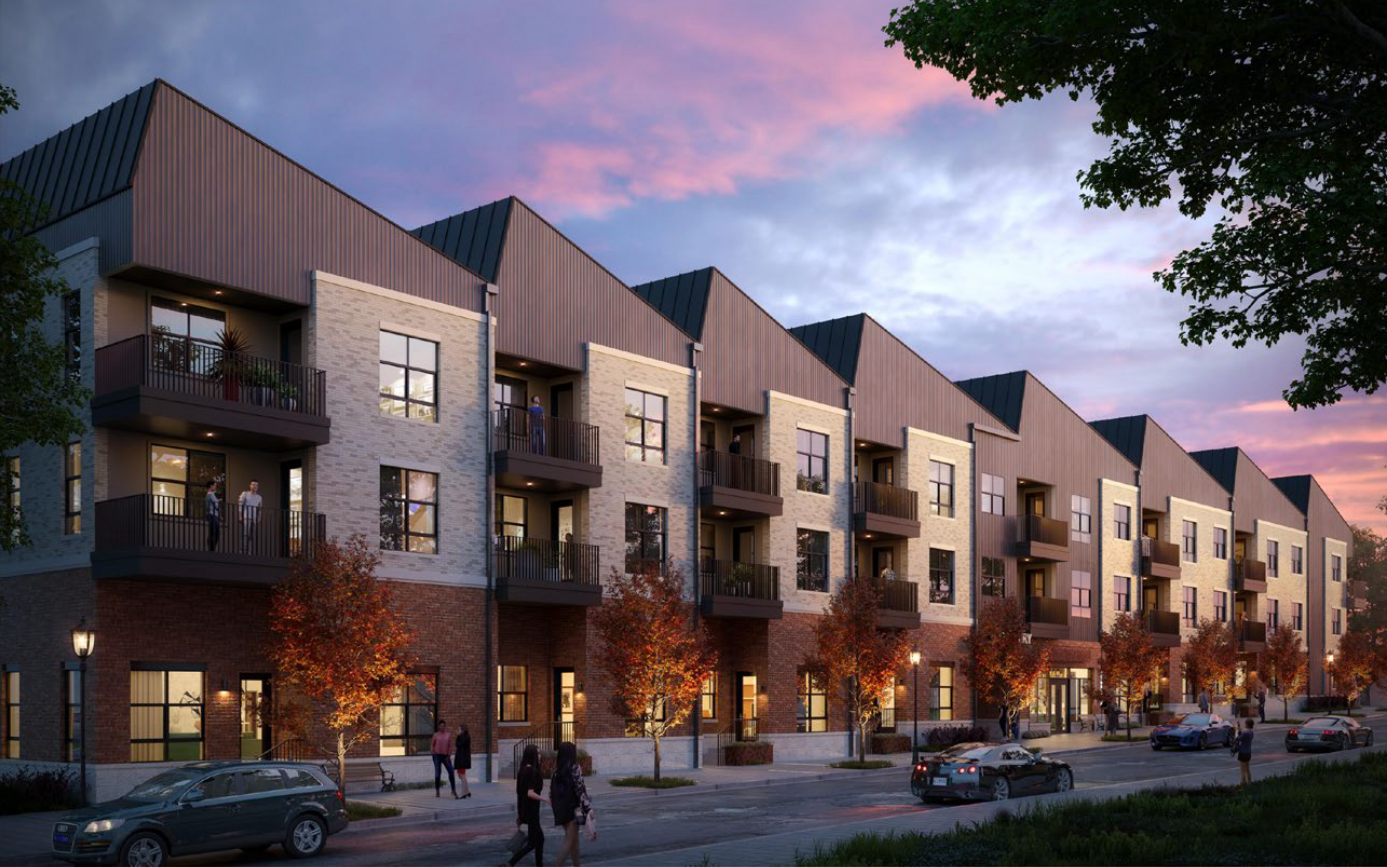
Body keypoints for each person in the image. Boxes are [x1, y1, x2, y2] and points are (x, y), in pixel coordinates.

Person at [551, 741, 593, 866]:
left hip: (560, 810)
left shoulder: (555, 771)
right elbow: (580, 790)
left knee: (574, 842)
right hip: (573, 810)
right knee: (569, 842)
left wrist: (556, 808)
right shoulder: (575, 768)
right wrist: (588, 809)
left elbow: (551, 793)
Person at [509, 744, 549, 866]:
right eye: (537, 753)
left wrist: (519, 815)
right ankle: (511, 863)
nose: (539, 755)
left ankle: (537, 864)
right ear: (532, 755)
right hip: (532, 812)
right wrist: (546, 800)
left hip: (526, 811)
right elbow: (530, 793)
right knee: (535, 842)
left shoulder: (522, 770)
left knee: (538, 841)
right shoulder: (532, 771)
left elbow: (519, 795)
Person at [430, 719, 456, 798]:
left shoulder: (448, 735)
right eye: (441, 726)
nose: (442, 727)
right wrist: (433, 752)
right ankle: (437, 791)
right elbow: (432, 744)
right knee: (438, 773)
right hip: (437, 756)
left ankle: (453, 789)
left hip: (446, 756)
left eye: (443, 726)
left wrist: (449, 755)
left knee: (451, 772)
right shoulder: (435, 735)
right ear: (438, 726)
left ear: (445, 726)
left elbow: (450, 746)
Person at [237, 480, 262, 553]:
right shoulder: (245, 493)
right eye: (253, 484)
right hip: (246, 517)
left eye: (256, 485)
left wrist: (259, 518)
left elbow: (260, 509)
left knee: (251, 535)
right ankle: (242, 550)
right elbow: (240, 505)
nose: (255, 486)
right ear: (250, 485)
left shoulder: (259, 497)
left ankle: (249, 551)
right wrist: (240, 516)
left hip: (254, 519)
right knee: (245, 534)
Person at [1233, 718, 1255, 786]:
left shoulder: (1245, 732)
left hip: (1242, 753)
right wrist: (1239, 728)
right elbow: (1243, 734)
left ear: (1247, 724)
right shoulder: (1251, 732)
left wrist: (1236, 731)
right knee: (1248, 769)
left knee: (1243, 771)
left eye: (1245, 723)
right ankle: (1249, 783)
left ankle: (1243, 784)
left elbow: (1237, 739)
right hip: (1248, 752)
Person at [454, 722, 472, 799]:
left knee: (462, 775)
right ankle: (467, 791)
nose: (458, 730)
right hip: (461, 758)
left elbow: (458, 745)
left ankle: (463, 793)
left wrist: (458, 736)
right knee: (461, 775)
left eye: (459, 729)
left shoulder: (465, 737)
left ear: (463, 730)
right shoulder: (463, 737)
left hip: (463, 759)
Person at [205, 480, 221, 552]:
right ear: (211, 486)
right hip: (211, 515)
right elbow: (208, 506)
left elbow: (216, 505)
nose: (215, 487)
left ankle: (212, 548)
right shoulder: (209, 494)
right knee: (214, 532)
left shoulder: (212, 494)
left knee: (215, 533)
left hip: (215, 515)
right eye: (214, 485)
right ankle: (211, 548)